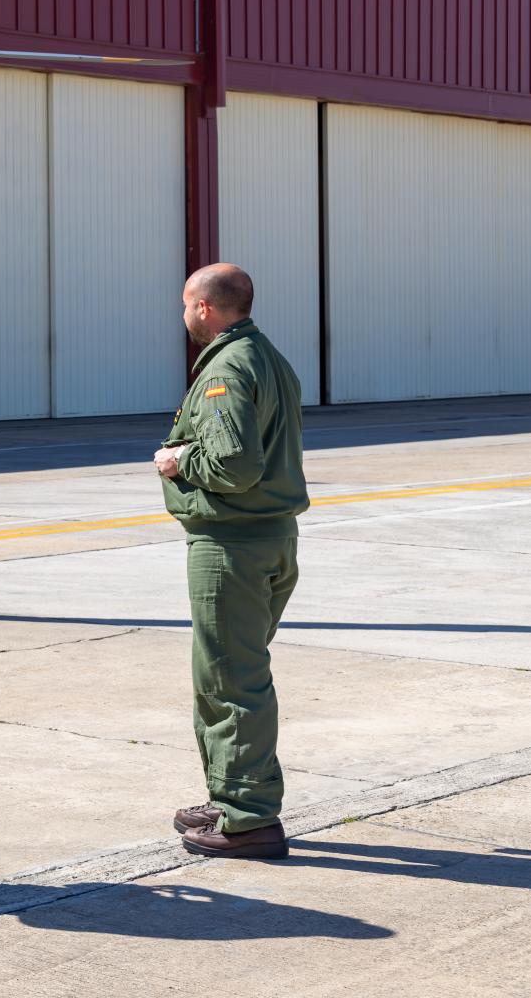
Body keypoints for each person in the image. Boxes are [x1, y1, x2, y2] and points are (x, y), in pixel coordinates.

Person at [154, 263, 308, 859]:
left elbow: (235, 465)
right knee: (234, 674)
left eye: (185, 305)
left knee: (230, 682)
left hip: (232, 547)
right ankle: (231, 795)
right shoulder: (267, 357)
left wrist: (178, 461)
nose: (183, 315)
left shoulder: (225, 368)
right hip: (270, 538)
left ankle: (248, 819)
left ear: (205, 308)